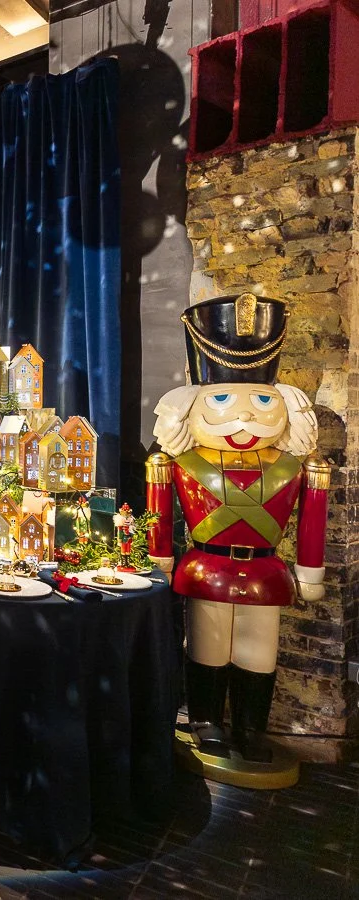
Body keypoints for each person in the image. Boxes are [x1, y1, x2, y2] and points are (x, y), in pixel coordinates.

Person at [147, 294, 329, 766]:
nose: (244, 415)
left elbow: (312, 519)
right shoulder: (179, 462)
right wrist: (159, 559)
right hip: (207, 568)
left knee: (257, 652)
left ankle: (251, 726)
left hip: (266, 572)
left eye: (264, 400)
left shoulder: (298, 467)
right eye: (222, 399)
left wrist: (310, 571)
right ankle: (206, 720)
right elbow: (161, 517)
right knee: (208, 644)